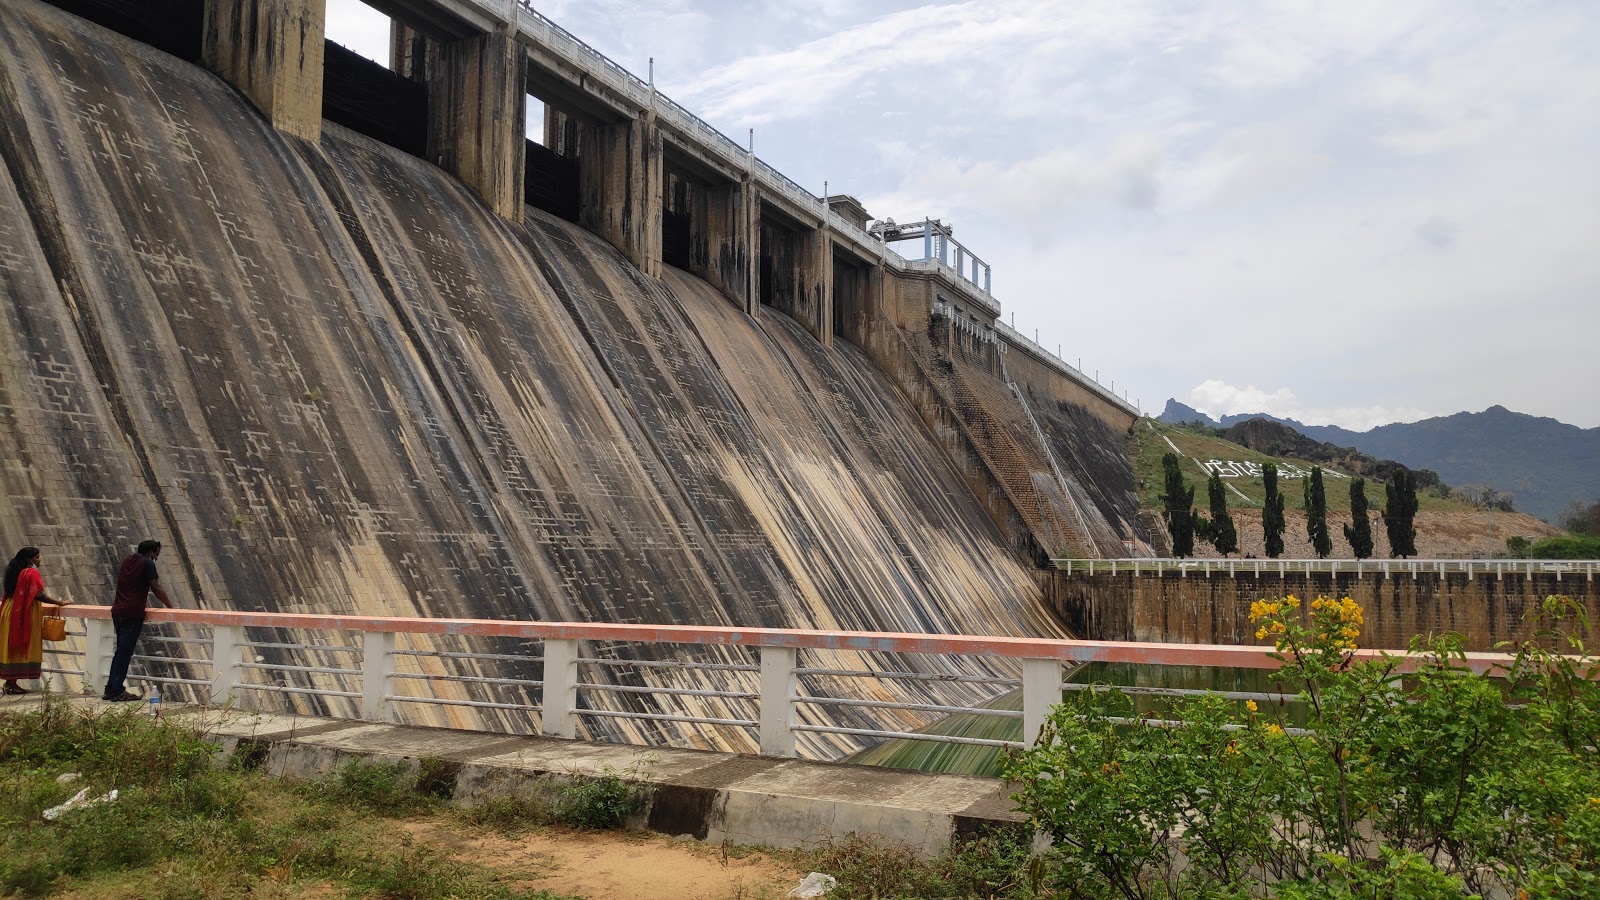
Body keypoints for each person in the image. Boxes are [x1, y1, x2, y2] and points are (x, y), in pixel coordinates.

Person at [103, 540, 176, 702]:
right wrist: (170, 606)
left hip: (118, 610)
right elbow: (156, 587)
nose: (156, 558)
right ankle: (116, 690)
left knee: (120, 651)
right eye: (156, 554)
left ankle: (110, 688)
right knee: (125, 652)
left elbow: (131, 585)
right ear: (151, 552)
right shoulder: (147, 563)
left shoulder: (128, 561)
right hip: (132, 613)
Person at [2, 547, 72, 695]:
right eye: (38, 557)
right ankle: (11, 684)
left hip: (10, 610)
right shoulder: (30, 573)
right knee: (21, 643)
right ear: (30, 559)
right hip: (23, 613)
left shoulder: (14, 571)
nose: (40, 560)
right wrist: (59, 603)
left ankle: (10, 682)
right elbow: (38, 595)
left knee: (11, 644)